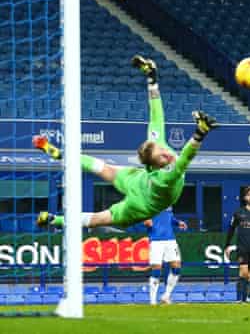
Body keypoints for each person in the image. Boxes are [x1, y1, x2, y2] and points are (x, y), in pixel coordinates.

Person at [35, 56, 218, 229]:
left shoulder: (158, 153)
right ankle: (58, 170)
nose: (166, 153)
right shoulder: (166, 176)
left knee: (101, 192)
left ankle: (55, 204)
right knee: (100, 195)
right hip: (139, 196)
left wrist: (152, 80)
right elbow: (186, 155)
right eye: (162, 157)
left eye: (162, 151)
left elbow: (156, 115)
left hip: (140, 192)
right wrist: (199, 133)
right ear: (154, 167)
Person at [144, 208, 187, 305]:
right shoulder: (150, 200)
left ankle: (166, 296)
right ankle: (153, 302)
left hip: (170, 239)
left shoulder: (169, 201)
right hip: (156, 240)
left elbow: (169, 217)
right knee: (156, 271)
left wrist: (177, 222)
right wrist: (145, 221)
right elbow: (141, 216)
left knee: (177, 268)